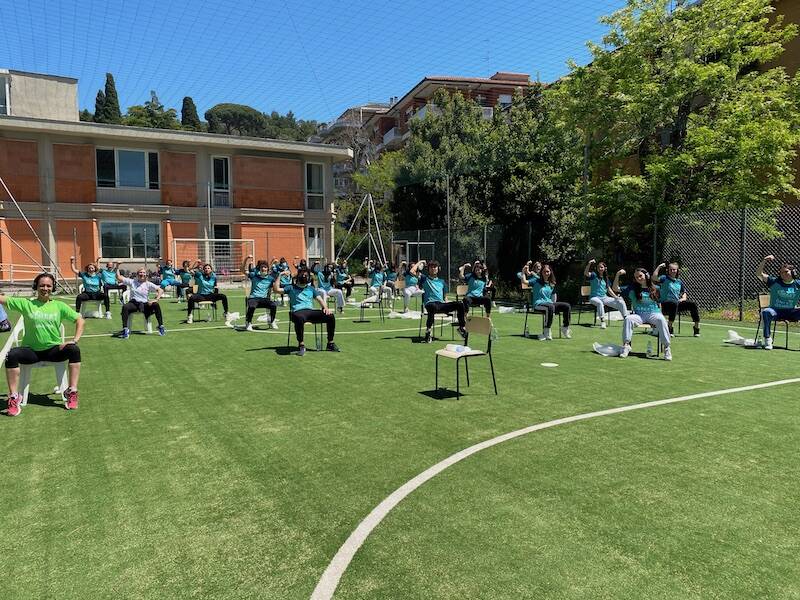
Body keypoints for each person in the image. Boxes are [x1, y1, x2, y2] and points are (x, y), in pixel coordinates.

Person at [1, 273, 84, 416]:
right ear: (36, 287)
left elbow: (80, 320)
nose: (45, 288)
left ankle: (72, 391)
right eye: (41, 285)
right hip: (31, 352)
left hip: (53, 351)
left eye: (48, 285)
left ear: (53, 288)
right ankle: (14, 397)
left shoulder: (59, 306)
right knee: (12, 355)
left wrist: (74, 339)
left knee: (74, 350)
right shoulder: (26, 304)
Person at [273, 266, 340, 356]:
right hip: (296, 312)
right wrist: (280, 275)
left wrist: (326, 308)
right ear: (298, 276)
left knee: (330, 316)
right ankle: (301, 345)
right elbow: (276, 290)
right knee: (300, 318)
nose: (304, 276)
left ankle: (330, 343)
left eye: (306, 275)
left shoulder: (311, 289)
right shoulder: (291, 288)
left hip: (310, 312)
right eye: (302, 274)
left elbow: (320, 300)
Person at [612, 267, 672, 360]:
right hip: (639, 315)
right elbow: (615, 288)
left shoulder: (655, 288)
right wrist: (618, 274)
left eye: (640, 276)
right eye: (636, 277)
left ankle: (667, 348)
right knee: (628, 319)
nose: (638, 278)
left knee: (661, 319)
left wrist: (660, 313)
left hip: (653, 313)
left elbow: (660, 302)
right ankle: (626, 346)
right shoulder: (632, 287)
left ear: (646, 275)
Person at [411, 259, 466, 343]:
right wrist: (420, 262)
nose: (433, 269)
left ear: (438, 269)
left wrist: (447, 302)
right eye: (431, 267)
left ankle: (461, 327)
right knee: (432, 306)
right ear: (428, 269)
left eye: (435, 267)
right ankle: (428, 331)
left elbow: (445, 297)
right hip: (430, 304)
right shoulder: (424, 278)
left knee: (460, 304)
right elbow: (412, 271)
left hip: (441, 305)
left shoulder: (442, 282)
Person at [756, 255, 800, 350]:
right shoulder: (774, 281)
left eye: (786, 272)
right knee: (766, 312)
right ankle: (767, 340)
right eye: (781, 272)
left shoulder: (797, 284)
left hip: (792, 312)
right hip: (776, 311)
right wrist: (764, 260)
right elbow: (759, 274)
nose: (783, 274)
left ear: (793, 272)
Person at [522, 262, 572, 340]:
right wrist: (523, 272)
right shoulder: (536, 280)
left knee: (567, 306)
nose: (546, 273)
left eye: (548, 271)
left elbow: (553, 296)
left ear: (550, 272)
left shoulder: (551, 283)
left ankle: (565, 328)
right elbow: (524, 282)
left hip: (549, 304)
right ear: (541, 272)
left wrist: (554, 306)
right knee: (550, 306)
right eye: (544, 271)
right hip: (538, 304)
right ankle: (546, 332)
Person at [653, 262, 700, 337]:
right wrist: (659, 267)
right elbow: (654, 278)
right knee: (673, 303)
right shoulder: (664, 278)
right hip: (664, 305)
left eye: (674, 269)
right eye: (671, 269)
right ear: (668, 270)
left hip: (676, 304)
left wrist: (684, 298)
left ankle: (696, 327)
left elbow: (684, 291)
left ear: (677, 270)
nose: (672, 271)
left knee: (692, 304)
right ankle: (670, 328)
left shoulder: (679, 281)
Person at [118, 268, 166, 338]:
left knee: (156, 304)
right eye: (140, 272)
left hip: (144, 304)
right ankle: (125, 329)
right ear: (137, 274)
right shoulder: (132, 282)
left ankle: (160, 326)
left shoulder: (148, 284)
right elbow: (118, 277)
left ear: (146, 275)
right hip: (134, 304)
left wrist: (156, 299)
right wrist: (117, 266)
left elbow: (160, 290)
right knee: (125, 307)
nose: (142, 274)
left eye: (143, 273)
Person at [583, 258, 628, 329]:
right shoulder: (594, 275)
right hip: (594, 298)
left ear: (604, 268)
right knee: (600, 303)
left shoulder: (605, 278)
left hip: (604, 297)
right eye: (598, 267)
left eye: (601, 267)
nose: (600, 269)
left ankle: (626, 320)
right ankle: (602, 322)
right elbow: (586, 273)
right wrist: (589, 263)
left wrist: (616, 297)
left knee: (621, 302)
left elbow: (609, 289)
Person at [241, 255, 279, 331]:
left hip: (264, 299)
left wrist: (282, 274)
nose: (263, 269)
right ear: (259, 269)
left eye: (265, 267)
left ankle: (272, 321)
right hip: (253, 298)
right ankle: (248, 322)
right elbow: (242, 270)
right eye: (262, 267)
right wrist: (246, 259)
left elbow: (276, 286)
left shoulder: (270, 278)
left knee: (273, 305)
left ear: (267, 269)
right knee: (251, 307)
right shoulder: (254, 276)